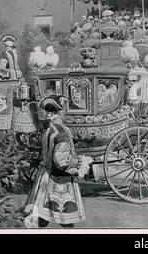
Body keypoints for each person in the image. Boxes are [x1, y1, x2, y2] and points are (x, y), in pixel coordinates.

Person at [25, 94, 86, 228]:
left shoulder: (48, 127)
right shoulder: (61, 131)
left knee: (42, 213)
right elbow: (61, 160)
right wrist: (76, 165)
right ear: (59, 112)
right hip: (59, 178)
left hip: (45, 175)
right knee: (66, 216)